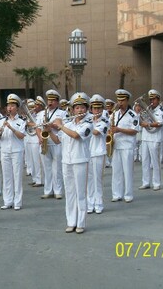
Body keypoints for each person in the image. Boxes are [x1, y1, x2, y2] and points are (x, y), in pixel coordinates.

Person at [55, 92, 93, 234]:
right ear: (72, 110)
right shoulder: (68, 124)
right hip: (67, 161)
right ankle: (71, 222)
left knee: (80, 193)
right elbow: (57, 140)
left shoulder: (89, 124)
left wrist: (60, 126)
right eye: (77, 108)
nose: (80, 110)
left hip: (80, 161)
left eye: (82, 107)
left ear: (86, 109)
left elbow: (76, 136)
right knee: (70, 193)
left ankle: (81, 223)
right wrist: (47, 130)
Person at [36, 89, 68, 199]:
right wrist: (40, 137)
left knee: (57, 168)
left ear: (57, 102)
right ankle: (48, 190)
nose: (50, 103)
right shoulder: (41, 114)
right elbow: (38, 128)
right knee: (47, 168)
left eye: (53, 100)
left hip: (57, 142)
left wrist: (53, 126)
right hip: (45, 142)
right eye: (49, 100)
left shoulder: (63, 113)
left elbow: (64, 128)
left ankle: (58, 190)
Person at [0, 94, 26, 210]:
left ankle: (17, 202)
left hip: (17, 151)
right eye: (8, 105)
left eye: (12, 106)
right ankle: (7, 201)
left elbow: (21, 136)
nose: (10, 108)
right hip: (4, 150)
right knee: (7, 176)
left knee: (17, 177)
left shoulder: (22, 121)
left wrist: (11, 128)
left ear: (17, 108)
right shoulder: (2, 120)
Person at [110, 89, 139, 203]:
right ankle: (116, 194)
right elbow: (110, 128)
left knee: (127, 172)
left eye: (122, 100)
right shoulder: (114, 114)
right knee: (116, 171)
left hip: (127, 146)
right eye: (118, 100)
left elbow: (134, 131)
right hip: (116, 145)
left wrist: (119, 129)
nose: (120, 103)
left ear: (127, 101)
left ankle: (128, 195)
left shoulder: (133, 115)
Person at [138, 89, 163, 191]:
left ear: (158, 99)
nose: (151, 101)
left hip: (155, 138)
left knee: (155, 162)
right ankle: (145, 182)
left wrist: (148, 124)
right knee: (145, 161)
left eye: (153, 99)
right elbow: (141, 121)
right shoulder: (148, 109)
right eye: (150, 99)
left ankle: (156, 182)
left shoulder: (161, 110)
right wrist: (140, 116)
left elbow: (159, 123)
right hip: (146, 137)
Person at [87, 94, 109, 214]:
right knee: (89, 180)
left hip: (99, 153)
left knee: (98, 180)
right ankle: (90, 204)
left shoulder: (105, 121)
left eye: (99, 108)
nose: (97, 111)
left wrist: (86, 123)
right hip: (88, 153)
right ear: (91, 109)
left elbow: (95, 132)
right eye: (95, 108)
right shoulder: (87, 119)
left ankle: (99, 203)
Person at [26, 96, 45, 187]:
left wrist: (29, 123)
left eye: (37, 105)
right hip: (30, 138)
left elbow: (39, 125)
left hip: (37, 138)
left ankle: (39, 179)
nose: (35, 106)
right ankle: (34, 178)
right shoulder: (33, 114)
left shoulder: (43, 114)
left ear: (41, 106)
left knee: (38, 161)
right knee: (32, 160)